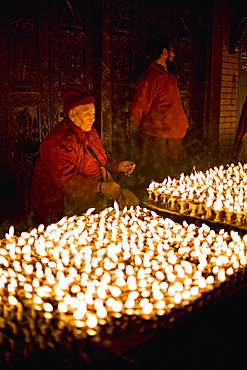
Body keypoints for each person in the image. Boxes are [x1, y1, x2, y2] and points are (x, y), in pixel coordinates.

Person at [31, 85, 138, 224]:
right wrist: (101, 187)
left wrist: (118, 166)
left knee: (131, 202)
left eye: (93, 114)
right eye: (88, 114)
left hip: (95, 191)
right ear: (72, 114)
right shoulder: (60, 141)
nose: (92, 118)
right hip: (62, 200)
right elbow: (67, 183)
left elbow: (100, 159)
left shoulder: (90, 132)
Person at [130, 34, 188, 188]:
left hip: (173, 137)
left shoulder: (167, 76)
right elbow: (137, 108)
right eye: (172, 50)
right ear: (164, 52)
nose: (174, 54)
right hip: (158, 138)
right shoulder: (150, 76)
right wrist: (147, 128)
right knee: (157, 179)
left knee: (173, 179)